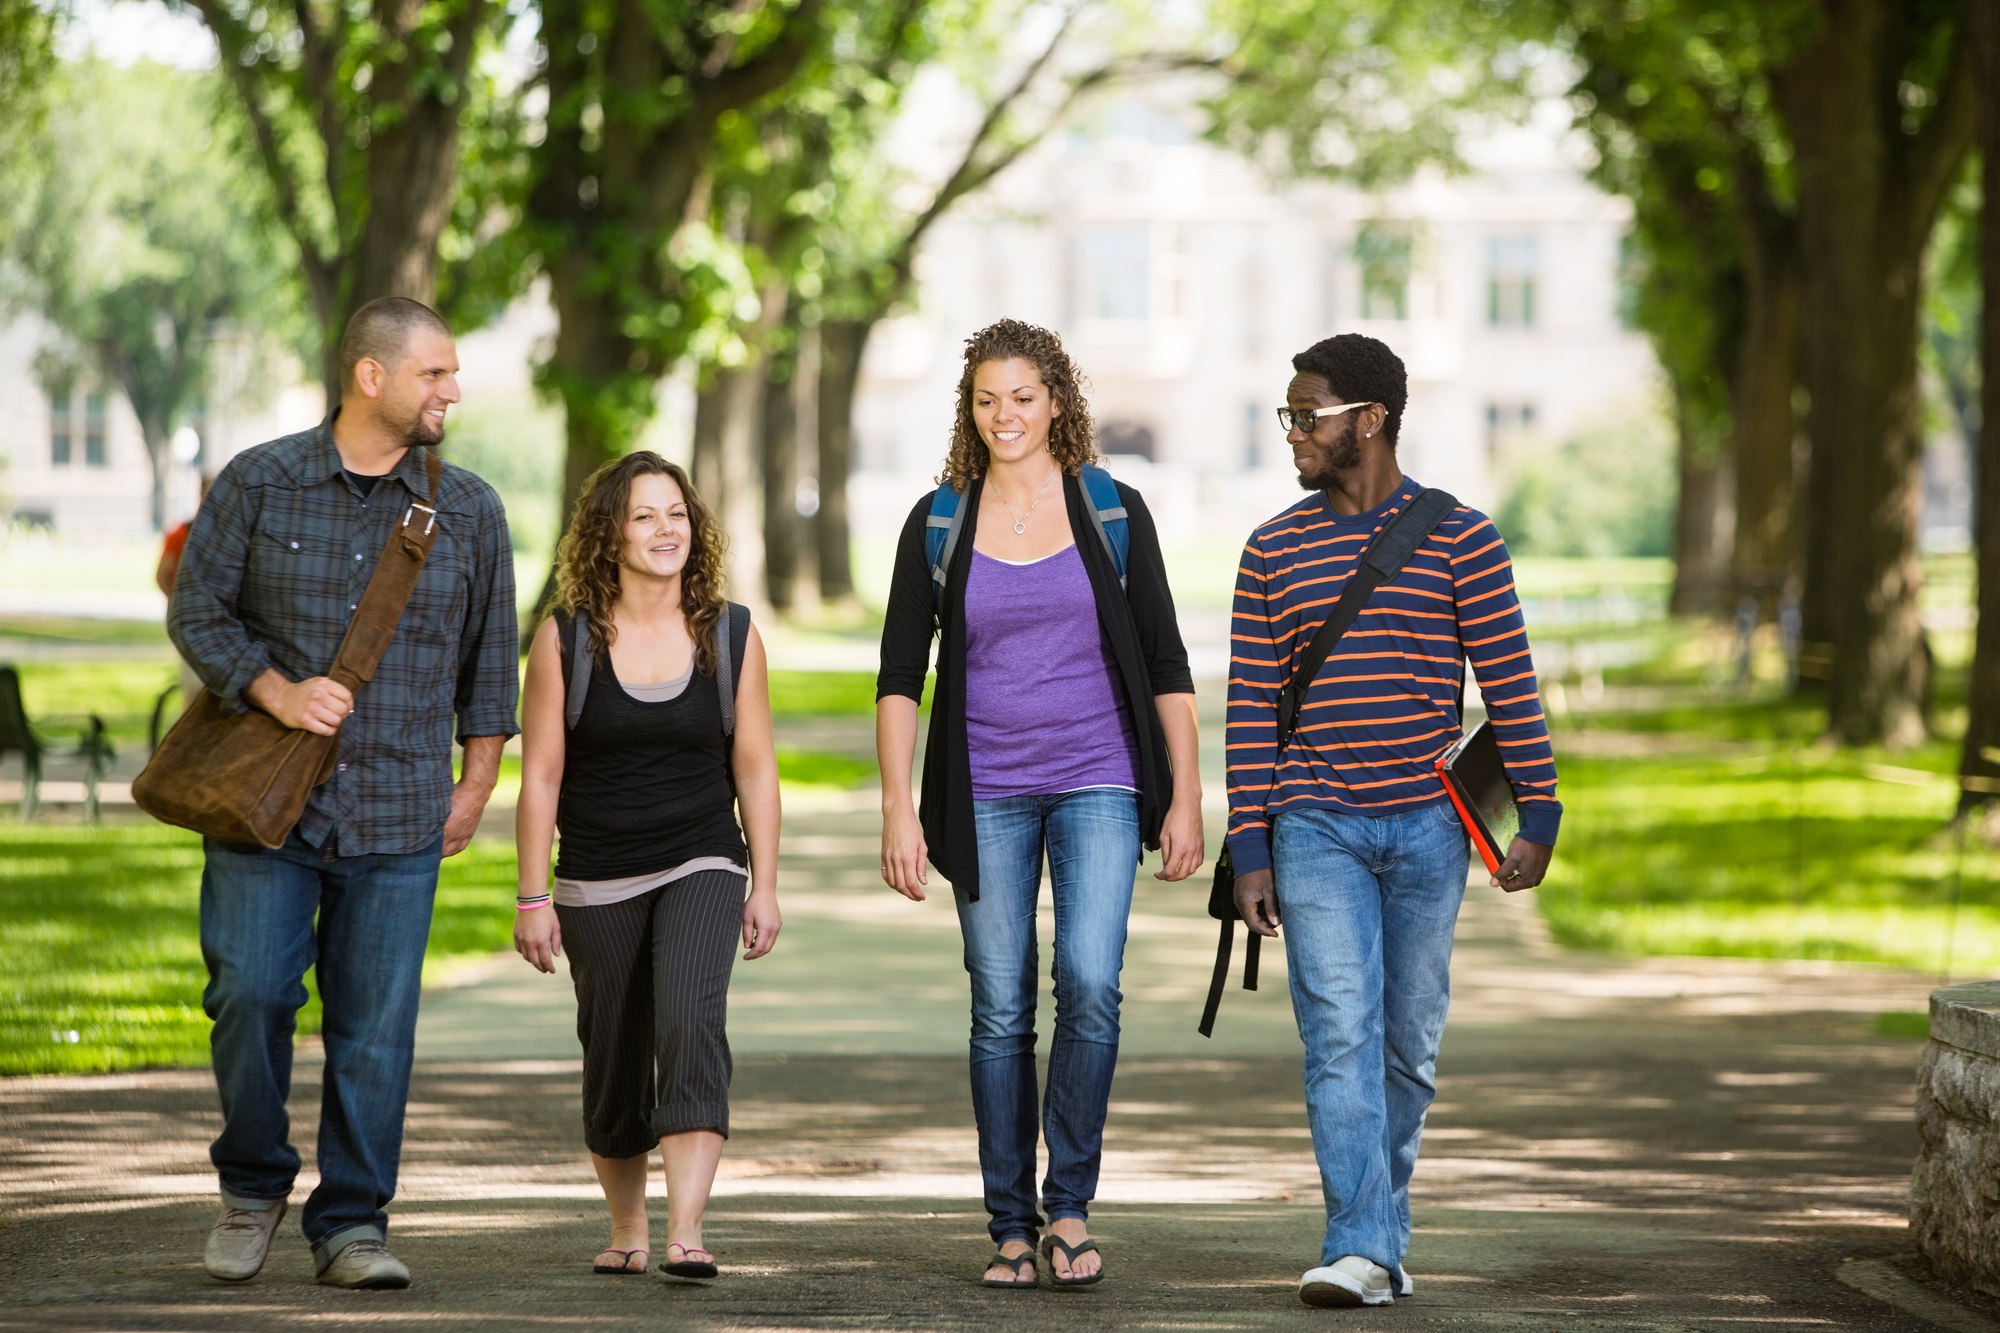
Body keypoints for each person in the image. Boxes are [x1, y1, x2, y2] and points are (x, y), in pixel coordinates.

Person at [168, 297, 520, 1289]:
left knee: (374, 1027)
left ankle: (353, 1222)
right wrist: (274, 688)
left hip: (403, 807)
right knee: (250, 992)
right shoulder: (262, 482)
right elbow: (197, 610)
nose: (452, 389)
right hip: (265, 808)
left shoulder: (471, 509)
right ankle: (251, 1187)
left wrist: (478, 780)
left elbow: (491, 661)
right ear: (372, 377)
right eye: (434, 373)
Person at [1225, 333, 1561, 1308]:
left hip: (1427, 829)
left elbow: (1508, 688)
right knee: (1338, 1033)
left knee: (1406, 1045)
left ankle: (1381, 1231)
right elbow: (1251, 705)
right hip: (1314, 823)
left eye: (1307, 415)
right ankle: (1357, 1242)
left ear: (1366, 421)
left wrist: (1536, 814)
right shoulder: (1270, 550)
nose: (1291, 432)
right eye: (1287, 415)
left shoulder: (1461, 537)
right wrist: (1252, 843)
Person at [876, 318, 1202, 1289]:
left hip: (1098, 773)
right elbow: (901, 676)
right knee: (1000, 1003)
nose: (1003, 415)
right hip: (983, 789)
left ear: (1056, 400)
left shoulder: (1111, 508)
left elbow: (1167, 663)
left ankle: (1069, 1207)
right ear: (966, 409)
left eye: (1022, 396)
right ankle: (1009, 1225)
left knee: (1090, 982)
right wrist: (898, 807)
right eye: (985, 399)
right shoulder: (938, 519)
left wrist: (1185, 796)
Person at [513, 452, 781, 1282]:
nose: (666, 530)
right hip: (597, 871)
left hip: (702, 855)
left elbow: (756, 766)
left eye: (676, 514)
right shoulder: (565, 639)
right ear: (610, 534)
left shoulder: (731, 632)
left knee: (689, 1016)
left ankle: (687, 1231)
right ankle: (628, 1226)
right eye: (643, 516)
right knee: (614, 1046)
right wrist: (532, 894)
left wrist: (764, 881)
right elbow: (544, 776)